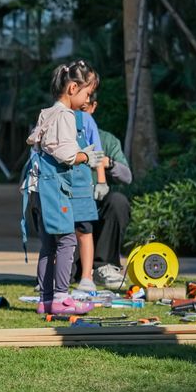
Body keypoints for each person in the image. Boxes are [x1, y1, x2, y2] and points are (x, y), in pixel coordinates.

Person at [23, 60, 105, 316]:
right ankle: (61, 297)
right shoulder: (65, 116)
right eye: (86, 93)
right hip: (53, 189)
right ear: (72, 88)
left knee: (48, 243)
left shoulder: (47, 112)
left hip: (37, 189)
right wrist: (86, 157)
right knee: (68, 239)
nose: (88, 99)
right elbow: (67, 155)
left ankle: (46, 299)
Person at [83, 96, 133, 291]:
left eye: (85, 108)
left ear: (94, 107)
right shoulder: (62, 136)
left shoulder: (107, 139)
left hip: (98, 209)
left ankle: (104, 265)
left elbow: (127, 177)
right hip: (72, 210)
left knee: (118, 201)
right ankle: (58, 271)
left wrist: (108, 163)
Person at [74, 96, 109, 294]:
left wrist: (102, 181)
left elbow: (97, 152)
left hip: (81, 184)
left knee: (84, 230)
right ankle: (51, 278)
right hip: (57, 185)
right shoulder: (50, 116)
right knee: (56, 234)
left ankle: (87, 277)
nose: (87, 98)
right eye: (85, 93)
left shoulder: (85, 120)